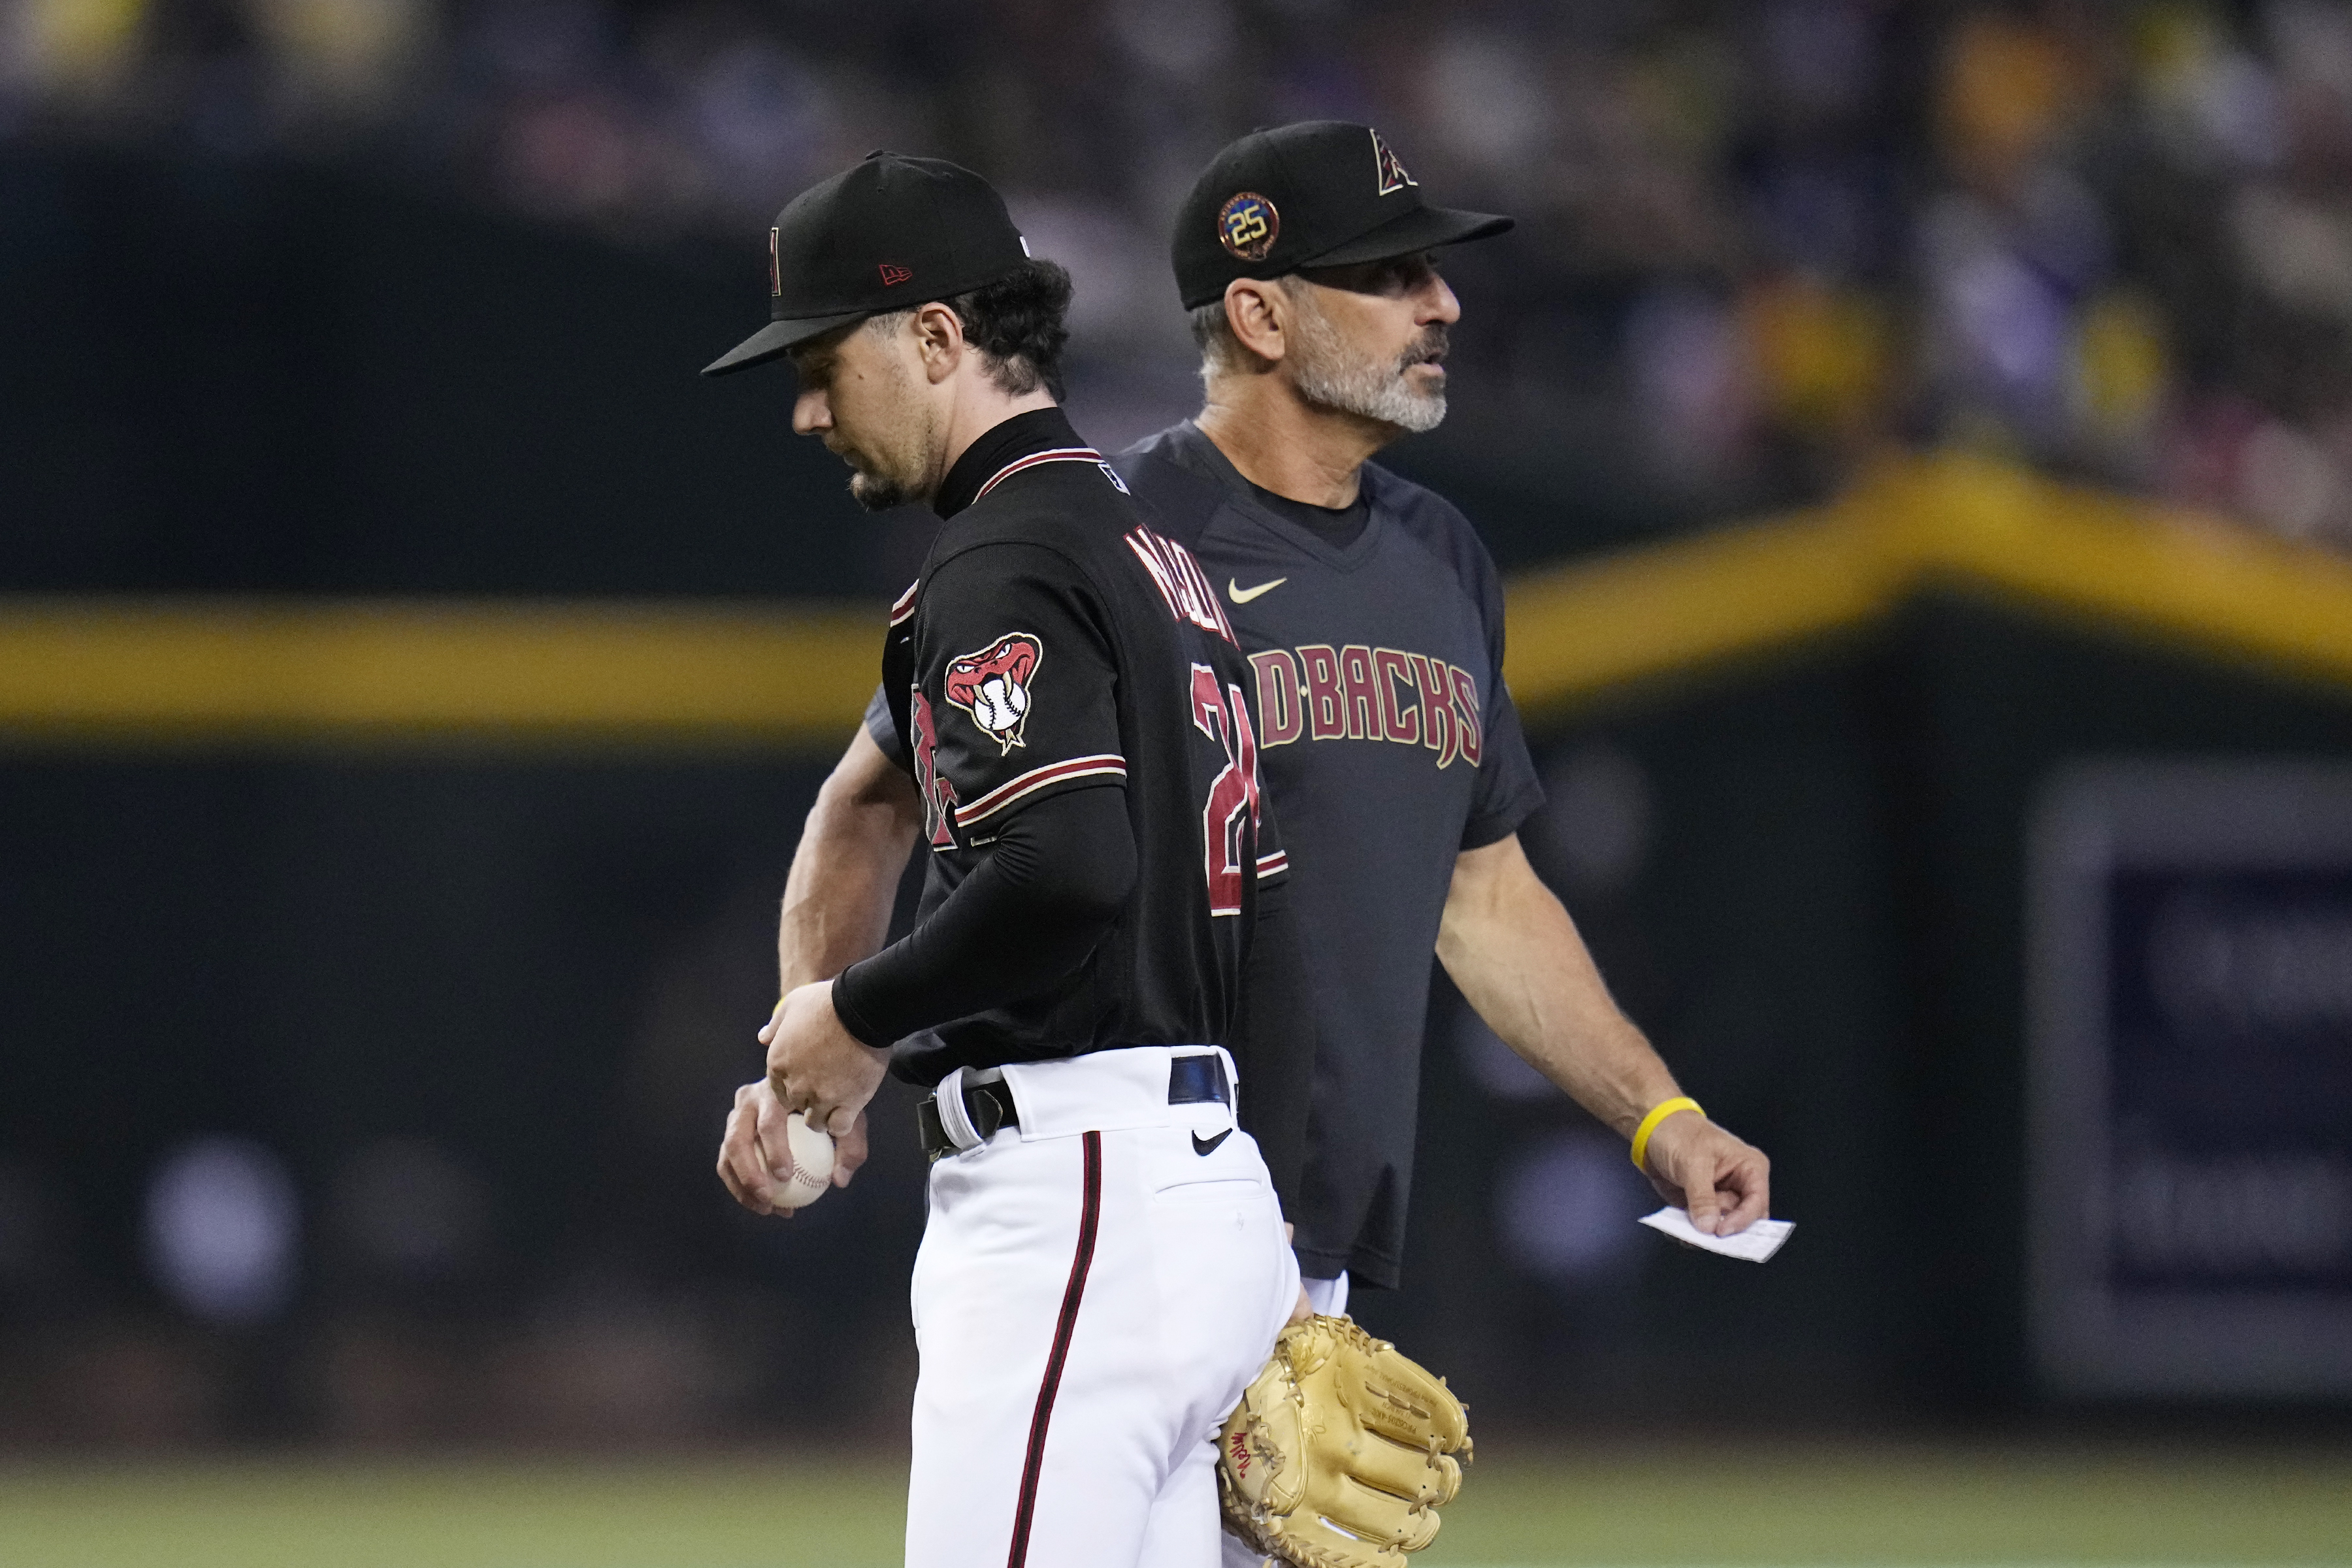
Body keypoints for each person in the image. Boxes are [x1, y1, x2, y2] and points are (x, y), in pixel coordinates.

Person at [706, 152, 1314, 1568]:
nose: (806, 409)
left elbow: (1064, 868)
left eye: (822, 360)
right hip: (1198, 1188)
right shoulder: (1152, 559)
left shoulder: (1005, 564)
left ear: (934, 338)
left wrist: (850, 1020)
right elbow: (867, 803)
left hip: (1081, 1205)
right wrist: (814, 1063)